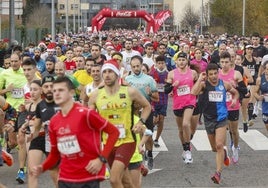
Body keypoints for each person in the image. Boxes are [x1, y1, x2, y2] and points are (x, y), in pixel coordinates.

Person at [32, 76, 119, 188]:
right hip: (65, 177)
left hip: (88, 177)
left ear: (72, 92)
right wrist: (42, 167)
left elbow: (114, 132)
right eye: (54, 91)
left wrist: (101, 159)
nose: (56, 93)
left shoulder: (86, 114)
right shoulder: (54, 121)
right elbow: (54, 154)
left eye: (61, 90)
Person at [89, 59, 152, 188]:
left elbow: (147, 106)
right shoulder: (95, 95)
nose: (107, 75)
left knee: (113, 179)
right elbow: (90, 119)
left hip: (127, 141)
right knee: (126, 182)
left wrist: (141, 121)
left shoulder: (129, 92)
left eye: (110, 72)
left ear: (117, 74)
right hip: (108, 143)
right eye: (104, 72)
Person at [191, 63, 239, 184]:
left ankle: (218, 173)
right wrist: (200, 79)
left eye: (215, 73)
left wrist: (234, 100)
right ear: (207, 75)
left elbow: (236, 93)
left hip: (222, 118)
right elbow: (193, 92)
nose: (213, 76)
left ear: (218, 73)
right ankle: (224, 153)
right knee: (214, 148)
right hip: (209, 119)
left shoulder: (224, 84)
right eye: (210, 74)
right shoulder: (203, 85)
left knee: (218, 145)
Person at [125, 55, 159, 170]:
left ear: (141, 65)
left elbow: (156, 98)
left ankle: (149, 154)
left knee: (148, 135)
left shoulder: (149, 79)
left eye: (138, 66)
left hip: (146, 111)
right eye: (133, 66)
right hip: (133, 111)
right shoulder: (127, 80)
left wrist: (150, 94)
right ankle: (140, 158)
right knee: (137, 135)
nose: (136, 68)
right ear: (130, 67)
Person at [25, 76, 59, 187]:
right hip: (44, 140)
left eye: (51, 86)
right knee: (32, 171)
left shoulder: (63, 103)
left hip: (62, 144)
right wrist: (32, 135)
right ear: (42, 89)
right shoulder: (41, 105)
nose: (49, 89)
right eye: (46, 86)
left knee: (59, 178)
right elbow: (37, 126)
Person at [164, 52, 198, 164]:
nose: (182, 62)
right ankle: (184, 148)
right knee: (180, 129)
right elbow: (166, 90)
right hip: (178, 103)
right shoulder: (172, 74)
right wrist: (173, 85)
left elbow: (199, 85)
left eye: (184, 60)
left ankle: (188, 150)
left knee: (185, 124)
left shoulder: (193, 73)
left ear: (187, 61)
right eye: (179, 60)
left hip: (190, 101)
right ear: (176, 62)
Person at [149, 55, 169, 148]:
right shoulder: (152, 74)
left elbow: (170, 86)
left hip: (164, 100)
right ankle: (149, 135)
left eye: (162, 63)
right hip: (154, 100)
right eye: (159, 63)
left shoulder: (168, 74)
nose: (161, 65)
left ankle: (156, 139)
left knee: (161, 120)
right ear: (156, 64)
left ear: (165, 64)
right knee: (154, 120)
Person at [253, 61, 268, 132]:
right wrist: (259, 97)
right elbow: (255, 92)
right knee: (267, 124)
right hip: (265, 106)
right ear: (264, 70)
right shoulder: (260, 79)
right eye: (267, 69)